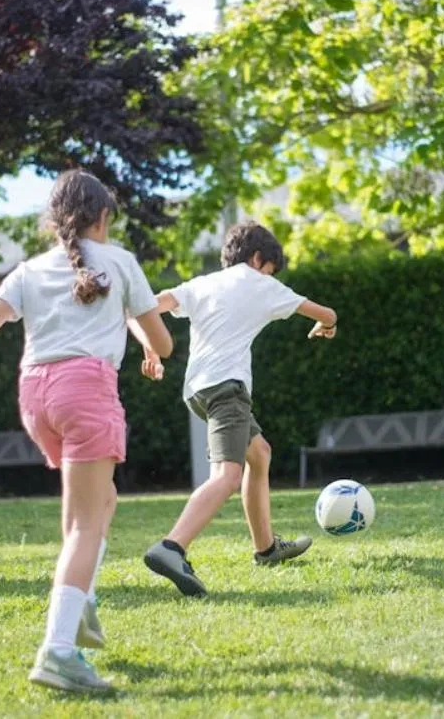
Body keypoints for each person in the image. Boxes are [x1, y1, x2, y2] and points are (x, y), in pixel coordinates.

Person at [0, 170, 172, 693]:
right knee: (89, 523)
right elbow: (164, 341)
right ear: (103, 216)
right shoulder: (121, 262)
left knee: (97, 503)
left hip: (36, 397)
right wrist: (153, 346)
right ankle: (60, 650)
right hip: (86, 390)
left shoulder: (32, 268)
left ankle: (79, 602)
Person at [141, 221, 338, 597]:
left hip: (197, 390)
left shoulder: (203, 283)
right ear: (259, 258)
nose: (269, 276)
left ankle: (266, 549)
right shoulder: (261, 283)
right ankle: (171, 547)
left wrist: (151, 347)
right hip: (227, 389)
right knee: (228, 476)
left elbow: (154, 304)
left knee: (259, 453)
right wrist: (324, 326)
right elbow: (327, 312)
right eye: (270, 269)